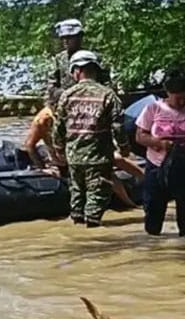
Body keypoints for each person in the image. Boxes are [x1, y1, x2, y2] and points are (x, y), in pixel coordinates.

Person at [52, 51, 128, 227]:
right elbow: (118, 126)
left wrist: (58, 149)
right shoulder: (108, 95)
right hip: (98, 156)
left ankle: (78, 228)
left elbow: (59, 126)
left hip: (74, 156)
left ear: (77, 71)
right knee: (98, 194)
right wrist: (124, 147)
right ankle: (92, 230)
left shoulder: (67, 95)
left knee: (77, 193)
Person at [135, 76, 185, 237]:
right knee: (154, 205)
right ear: (168, 93)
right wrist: (159, 143)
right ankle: (153, 240)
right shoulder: (153, 109)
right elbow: (140, 136)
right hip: (157, 164)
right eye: (178, 98)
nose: (182, 102)